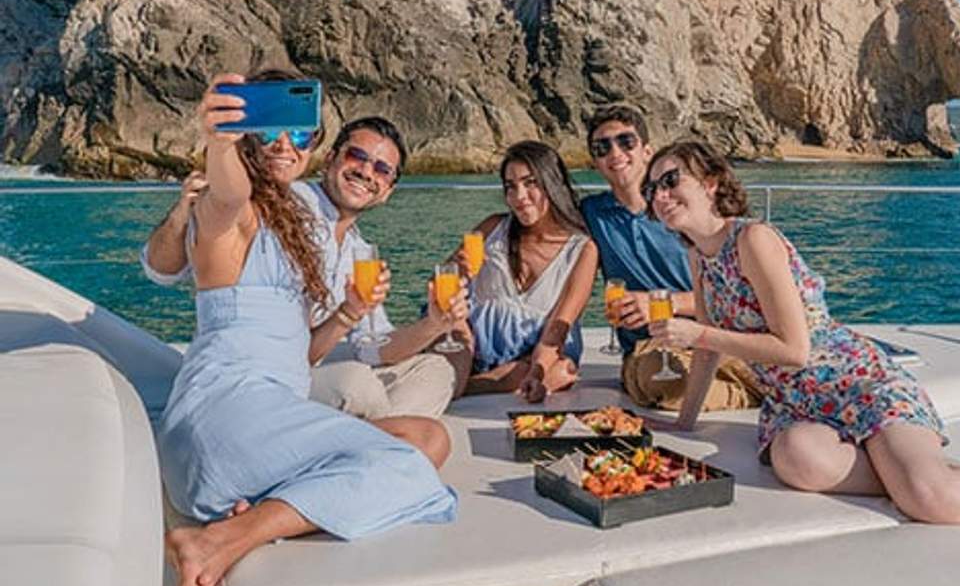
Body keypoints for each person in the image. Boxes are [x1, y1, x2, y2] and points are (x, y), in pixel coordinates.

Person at [642, 139, 960, 524]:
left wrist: (697, 335)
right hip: (796, 403)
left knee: (927, 500)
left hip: (853, 381)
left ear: (710, 183)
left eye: (670, 180)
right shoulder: (699, 257)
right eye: (652, 188)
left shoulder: (753, 239)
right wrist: (679, 425)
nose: (659, 195)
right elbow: (707, 351)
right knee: (798, 461)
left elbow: (794, 350)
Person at [159, 74, 456, 586]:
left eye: (300, 134)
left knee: (428, 438)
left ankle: (257, 508)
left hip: (255, 420)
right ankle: (224, 538)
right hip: (222, 419)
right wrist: (220, 136)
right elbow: (226, 191)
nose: (285, 145)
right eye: (268, 130)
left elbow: (308, 353)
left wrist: (349, 313)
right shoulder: (237, 213)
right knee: (407, 472)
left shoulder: (296, 238)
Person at [141, 76, 467, 420]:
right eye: (357, 156)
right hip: (269, 376)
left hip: (318, 367)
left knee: (436, 371)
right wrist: (187, 206)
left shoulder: (361, 251)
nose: (366, 172)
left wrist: (433, 324)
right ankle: (383, 436)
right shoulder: (282, 201)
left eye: (382, 169)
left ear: (387, 191)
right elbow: (162, 269)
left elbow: (374, 350)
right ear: (328, 159)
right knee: (357, 385)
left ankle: (378, 431)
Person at [580, 105, 761, 411]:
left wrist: (661, 303)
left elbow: (739, 289)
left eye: (626, 142)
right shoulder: (591, 214)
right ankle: (752, 391)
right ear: (596, 161)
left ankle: (748, 380)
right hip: (652, 346)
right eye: (602, 147)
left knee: (778, 363)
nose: (615, 152)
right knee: (661, 380)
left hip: (718, 332)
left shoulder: (684, 212)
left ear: (647, 151)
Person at [457, 140, 598, 401]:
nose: (519, 197)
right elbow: (440, 283)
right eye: (510, 186)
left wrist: (537, 370)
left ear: (552, 182)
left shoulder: (582, 250)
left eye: (530, 182)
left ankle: (462, 387)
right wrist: (461, 278)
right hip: (476, 346)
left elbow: (560, 325)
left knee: (556, 370)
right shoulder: (492, 228)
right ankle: (467, 381)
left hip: (538, 348)